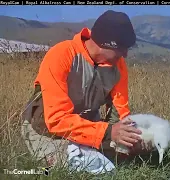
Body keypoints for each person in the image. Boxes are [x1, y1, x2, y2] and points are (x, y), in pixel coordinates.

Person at [21, 10, 152, 168]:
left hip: (92, 129)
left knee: (147, 143)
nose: (125, 54)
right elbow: (56, 120)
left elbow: (120, 113)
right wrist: (108, 133)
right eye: (122, 48)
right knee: (89, 165)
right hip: (46, 133)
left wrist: (129, 134)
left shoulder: (119, 67)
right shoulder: (61, 55)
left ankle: (95, 151)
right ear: (105, 44)